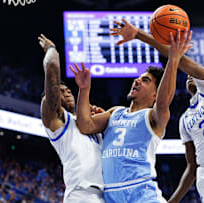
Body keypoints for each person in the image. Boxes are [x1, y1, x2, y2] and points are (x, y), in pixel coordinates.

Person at [110, 19, 204, 203]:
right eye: (187, 75)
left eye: (193, 74)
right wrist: (174, 200)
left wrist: (140, 35)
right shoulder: (184, 119)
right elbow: (192, 166)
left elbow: (179, 59)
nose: (189, 75)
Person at [70, 26, 193, 202]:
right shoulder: (115, 112)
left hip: (141, 193)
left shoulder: (153, 117)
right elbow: (84, 125)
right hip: (112, 195)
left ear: (155, 95)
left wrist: (173, 60)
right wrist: (84, 89)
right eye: (139, 78)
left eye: (145, 80)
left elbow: (165, 100)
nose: (137, 80)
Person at [38, 34, 105, 203]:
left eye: (68, 90)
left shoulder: (90, 124)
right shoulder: (59, 121)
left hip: (107, 195)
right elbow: (52, 67)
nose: (66, 92)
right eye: (60, 91)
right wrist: (51, 49)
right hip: (81, 195)